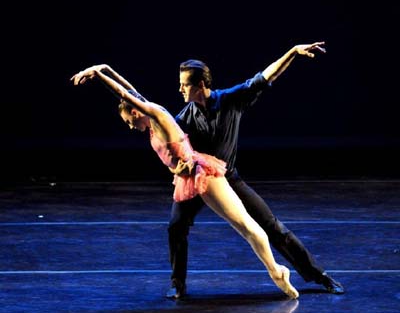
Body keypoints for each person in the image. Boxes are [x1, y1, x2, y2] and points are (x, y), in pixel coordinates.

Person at [70, 64, 299, 299]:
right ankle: (183, 282)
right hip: (188, 177)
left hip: (204, 175)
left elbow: (125, 94)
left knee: (245, 225)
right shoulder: (151, 119)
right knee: (200, 226)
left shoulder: (157, 116)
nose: (130, 126)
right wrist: (105, 68)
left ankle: (277, 271)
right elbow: (131, 91)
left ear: (137, 112)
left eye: (129, 121)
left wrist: (97, 76)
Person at [167, 41, 345, 299]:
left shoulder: (229, 100)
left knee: (272, 226)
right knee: (176, 226)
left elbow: (264, 77)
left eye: (185, 84)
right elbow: (174, 153)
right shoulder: (183, 118)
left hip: (229, 179)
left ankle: (319, 275)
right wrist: (178, 168)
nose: (180, 88)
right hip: (198, 183)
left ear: (201, 85)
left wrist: (293, 52)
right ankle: (177, 284)